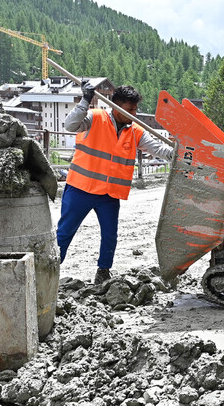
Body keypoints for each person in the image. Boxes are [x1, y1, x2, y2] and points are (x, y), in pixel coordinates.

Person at [57, 82, 174, 284]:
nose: (134, 114)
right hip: (81, 188)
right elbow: (69, 125)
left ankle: (103, 271)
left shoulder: (136, 131)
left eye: (136, 109)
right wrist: (85, 100)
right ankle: (51, 268)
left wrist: (178, 153)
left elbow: (158, 150)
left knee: (110, 236)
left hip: (109, 195)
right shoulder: (94, 117)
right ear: (116, 106)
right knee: (65, 232)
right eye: (130, 109)